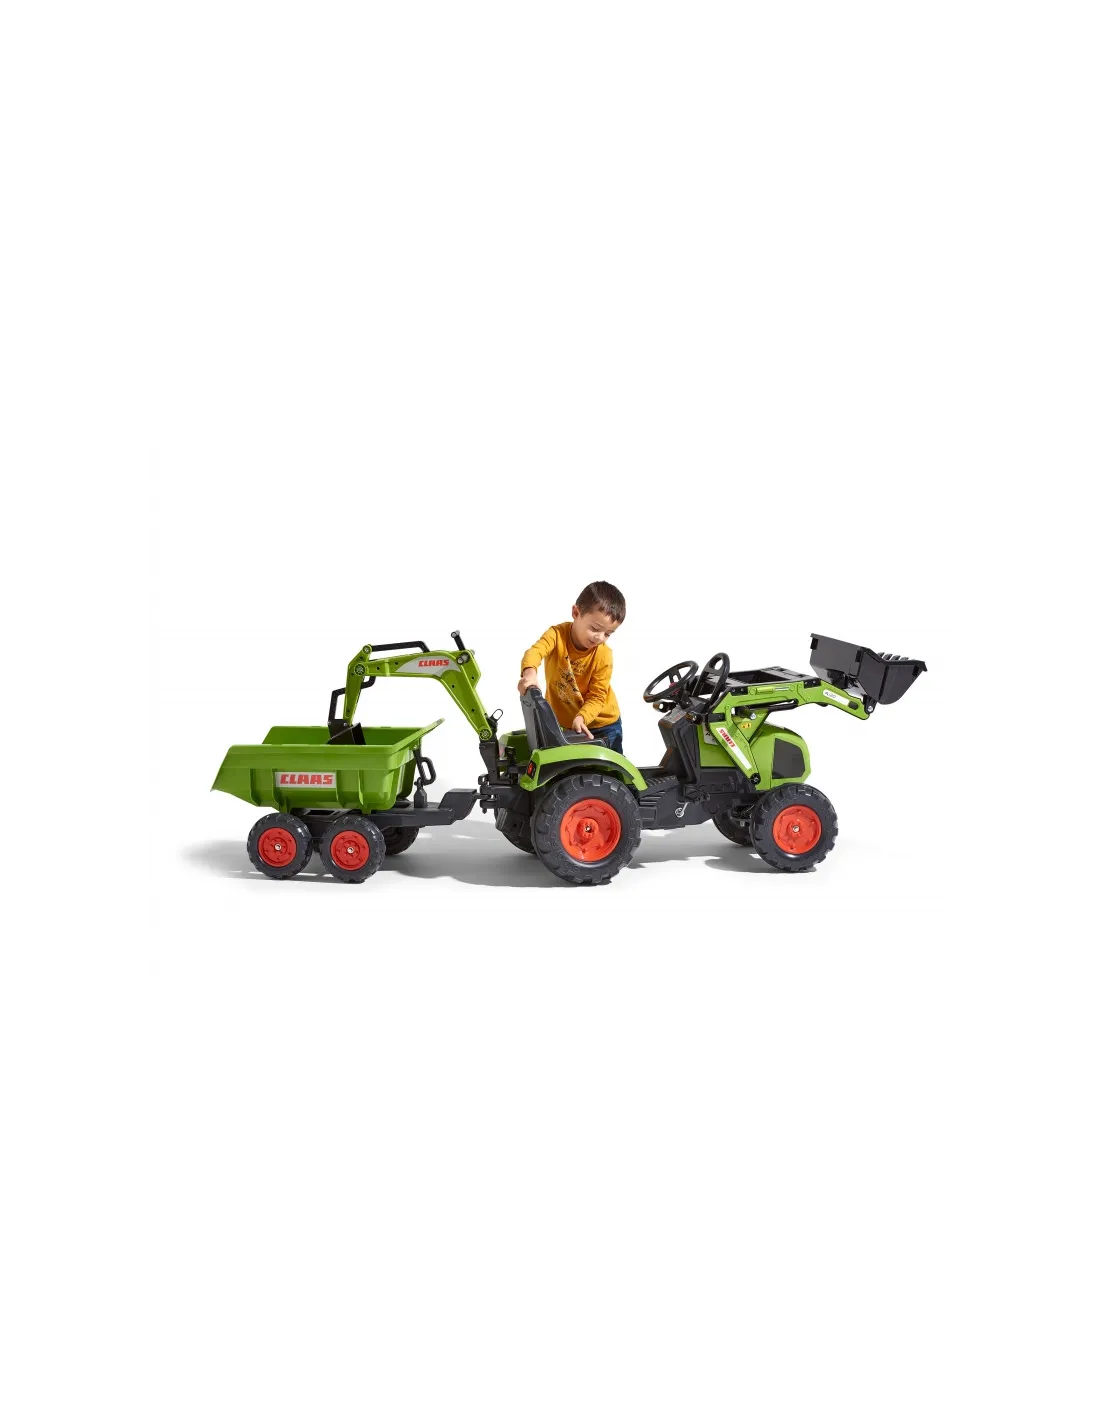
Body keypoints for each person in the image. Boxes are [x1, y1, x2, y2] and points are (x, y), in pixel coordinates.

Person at [517, 581, 626, 755]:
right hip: (567, 724)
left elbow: (597, 696)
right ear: (576, 613)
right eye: (595, 628)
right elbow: (535, 652)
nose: (600, 638)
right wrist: (529, 674)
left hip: (603, 725)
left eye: (608, 634)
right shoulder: (556, 635)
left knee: (611, 768)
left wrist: (582, 717)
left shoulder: (603, 655)